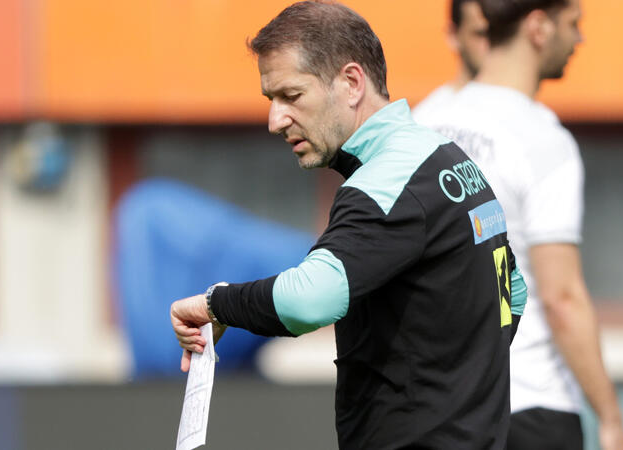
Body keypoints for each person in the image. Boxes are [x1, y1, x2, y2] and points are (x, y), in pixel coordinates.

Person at [169, 1, 527, 448]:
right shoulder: (449, 159)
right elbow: (514, 293)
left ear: (352, 82)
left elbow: (310, 300)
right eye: (271, 100)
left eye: (291, 96)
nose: (275, 120)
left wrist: (217, 303)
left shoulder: (387, 181)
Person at [414, 1, 623, 449]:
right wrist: (610, 418)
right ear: (538, 27)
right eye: (573, 24)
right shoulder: (543, 141)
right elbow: (561, 298)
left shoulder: (423, 123)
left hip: (439, 409)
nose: (580, 39)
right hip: (531, 406)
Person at [412, 0, 489, 126]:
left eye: (502, 34)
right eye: (482, 34)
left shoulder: (524, 112)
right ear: (453, 35)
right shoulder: (425, 120)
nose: (495, 43)